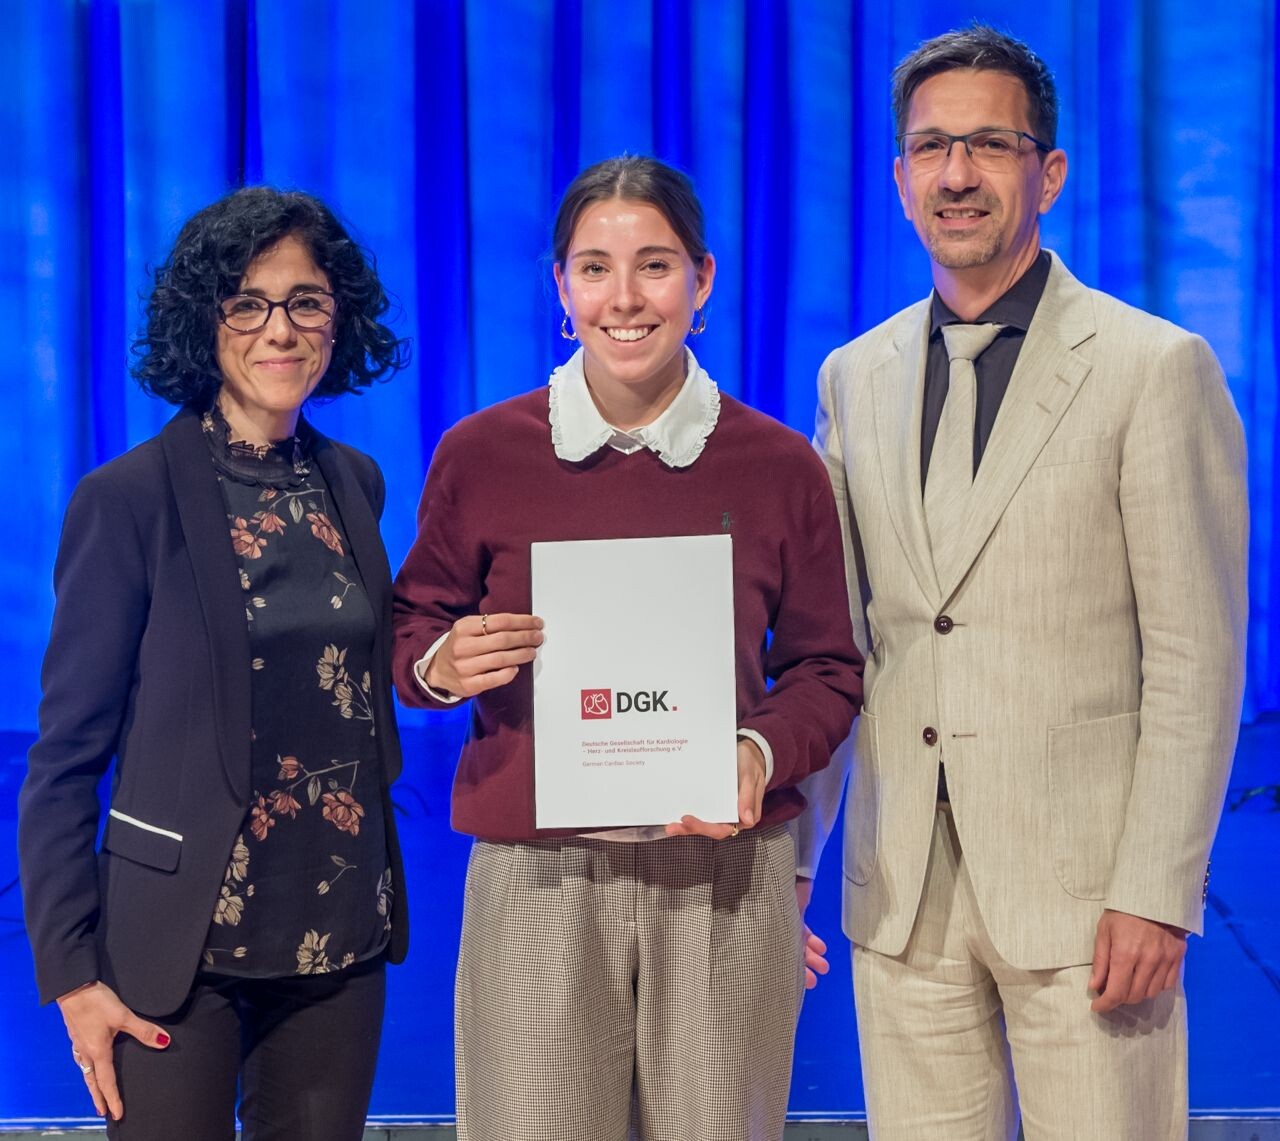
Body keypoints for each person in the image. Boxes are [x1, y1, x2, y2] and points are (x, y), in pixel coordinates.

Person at [795, 25, 1249, 1140]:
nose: (956, 174)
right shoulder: (853, 377)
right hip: (900, 892)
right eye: (930, 148)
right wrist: (789, 870)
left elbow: (1196, 659)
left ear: (1046, 171)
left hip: (1091, 898)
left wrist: (1155, 886)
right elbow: (838, 646)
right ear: (898, 178)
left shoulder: (1153, 368)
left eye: (989, 145)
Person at [392, 154, 863, 1141]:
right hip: (537, 876)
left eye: (653, 265)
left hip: (723, 875)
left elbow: (826, 666)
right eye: (594, 267)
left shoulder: (778, 465)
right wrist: (443, 664)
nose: (624, 297)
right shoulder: (481, 454)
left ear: (702, 279)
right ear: (560, 289)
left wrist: (756, 751)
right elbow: (412, 628)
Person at [18, 187, 410, 1140]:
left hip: (335, 934)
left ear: (338, 317)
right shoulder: (129, 500)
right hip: (175, 955)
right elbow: (65, 758)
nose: (280, 329)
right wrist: (72, 973)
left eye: (306, 300)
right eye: (248, 302)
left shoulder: (354, 481)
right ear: (207, 320)